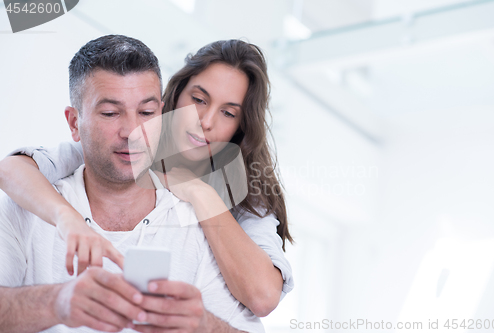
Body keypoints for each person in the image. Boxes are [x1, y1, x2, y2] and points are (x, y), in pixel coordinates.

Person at [0, 37, 294, 317]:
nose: (205, 122)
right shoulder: (123, 149)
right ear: (173, 99)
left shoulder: (246, 198)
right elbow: (13, 169)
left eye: (229, 113)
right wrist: (67, 218)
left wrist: (197, 191)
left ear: (239, 129)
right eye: (199, 100)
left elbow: (263, 296)